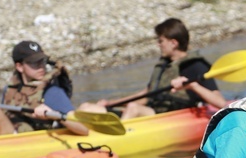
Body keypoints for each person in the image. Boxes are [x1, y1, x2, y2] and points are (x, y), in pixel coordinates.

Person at [79, 18, 227, 119]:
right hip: (151, 112)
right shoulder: (164, 65)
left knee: (133, 108)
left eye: (161, 41)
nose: (158, 44)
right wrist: (111, 103)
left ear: (173, 43)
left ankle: (113, 145)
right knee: (87, 107)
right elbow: (147, 95)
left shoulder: (196, 66)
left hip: (172, 116)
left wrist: (193, 85)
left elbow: (220, 103)